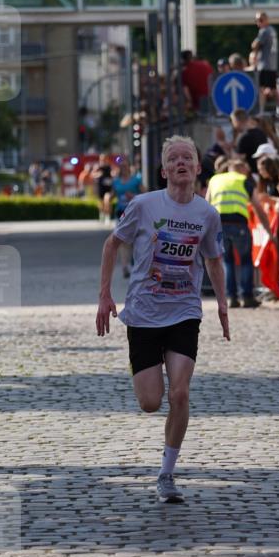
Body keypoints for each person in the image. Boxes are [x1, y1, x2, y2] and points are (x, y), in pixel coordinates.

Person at [96, 135, 229, 504]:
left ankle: (167, 474)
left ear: (199, 168)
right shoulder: (143, 205)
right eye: (174, 158)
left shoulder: (207, 214)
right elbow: (112, 244)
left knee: (181, 393)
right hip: (143, 313)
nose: (182, 162)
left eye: (189, 157)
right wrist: (105, 295)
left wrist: (221, 304)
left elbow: (213, 260)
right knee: (151, 402)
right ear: (164, 169)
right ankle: (149, 389)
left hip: (184, 312)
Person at [206, 157, 277, 308]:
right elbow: (258, 208)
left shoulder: (214, 180)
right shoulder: (244, 181)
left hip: (220, 225)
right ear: (240, 168)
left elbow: (206, 205)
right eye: (246, 168)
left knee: (227, 261)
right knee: (245, 261)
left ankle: (231, 297)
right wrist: (269, 232)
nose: (248, 171)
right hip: (239, 225)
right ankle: (247, 297)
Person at [104, 157, 144, 277]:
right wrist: (107, 200)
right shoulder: (116, 182)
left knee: (135, 240)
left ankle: (134, 264)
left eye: (125, 166)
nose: (124, 169)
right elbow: (112, 194)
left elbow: (145, 194)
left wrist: (134, 196)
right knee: (122, 240)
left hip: (135, 213)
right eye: (122, 167)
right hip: (121, 213)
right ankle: (125, 266)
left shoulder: (136, 181)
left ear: (129, 168)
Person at [230, 108, 268, 174]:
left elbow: (238, 160)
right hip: (263, 172)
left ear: (236, 120)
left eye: (233, 122)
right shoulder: (261, 133)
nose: (233, 125)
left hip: (250, 174)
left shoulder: (243, 137)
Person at [251, 11, 279, 91]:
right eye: (257, 20)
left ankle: (262, 104)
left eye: (261, 20)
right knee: (272, 88)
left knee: (261, 88)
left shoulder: (264, 31)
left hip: (264, 65)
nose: (258, 22)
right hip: (272, 64)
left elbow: (255, 45)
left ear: (266, 19)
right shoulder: (272, 30)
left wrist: (255, 57)